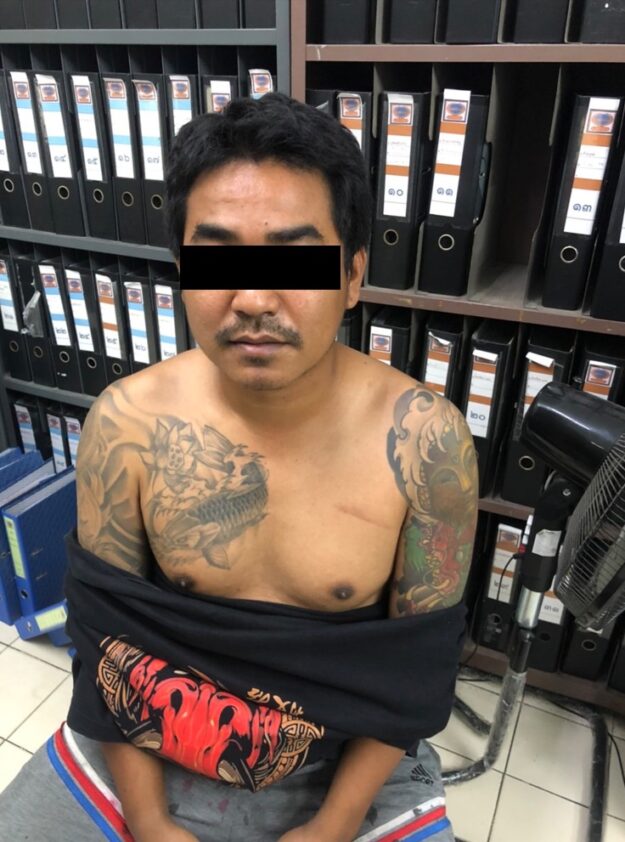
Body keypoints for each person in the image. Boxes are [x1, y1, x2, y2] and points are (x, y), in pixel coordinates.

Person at [0, 92, 478, 842]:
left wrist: (331, 828)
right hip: (146, 729)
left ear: (352, 276)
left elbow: (412, 678)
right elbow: (105, 644)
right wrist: (149, 821)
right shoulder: (127, 424)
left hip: (343, 762)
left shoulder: (426, 443)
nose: (253, 299)